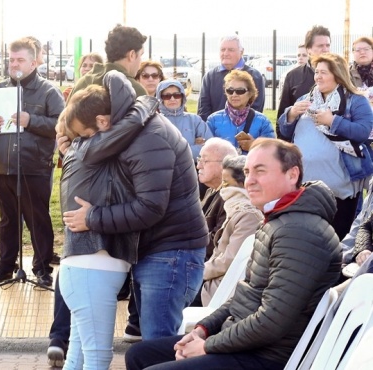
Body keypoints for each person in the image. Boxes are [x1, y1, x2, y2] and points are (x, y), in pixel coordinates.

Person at [125, 138, 342, 370]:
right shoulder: (280, 221)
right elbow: (245, 294)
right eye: (247, 172)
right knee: (140, 354)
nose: (250, 181)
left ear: (292, 174)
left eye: (260, 171)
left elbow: (271, 322)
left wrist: (207, 347)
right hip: (247, 344)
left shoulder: (299, 231)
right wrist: (203, 329)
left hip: (267, 357)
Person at [63, 71, 209, 341]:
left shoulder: (148, 138)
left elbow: (150, 207)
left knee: (158, 345)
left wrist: (93, 217)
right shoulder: (134, 132)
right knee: (153, 343)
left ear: (103, 121)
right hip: (160, 251)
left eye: (88, 135)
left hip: (171, 254)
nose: (90, 144)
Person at [48, 25, 147, 365]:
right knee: (96, 356)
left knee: (80, 352)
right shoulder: (93, 147)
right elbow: (131, 125)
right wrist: (146, 105)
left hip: (86, 266)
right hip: (93, 265)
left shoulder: (80, 147)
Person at [0, 37, 65, 287]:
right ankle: (6, 266)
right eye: (11, 59)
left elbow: (61, 124)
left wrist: (31, 120)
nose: (14, 64)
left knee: (37, 218)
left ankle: (42, 268)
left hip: (33, 166)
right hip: (2, 166)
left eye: (20, 60)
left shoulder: (48, 91)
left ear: (34, 63)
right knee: (7, 219)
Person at [278, 53, 373, 240]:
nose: (318, 77)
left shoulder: (355, 100)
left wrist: (333, 121)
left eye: (324, 72)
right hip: (304, 187)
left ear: (337, 75)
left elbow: (363, 131)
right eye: (316, 72)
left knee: (335, 239)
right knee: (306, 239)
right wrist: (289, 116)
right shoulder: (307, 99)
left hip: (340, 190)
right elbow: (285, 132)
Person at [200, 155, 263, 306]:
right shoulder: (235, 208)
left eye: (226, 183)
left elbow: (230, 260)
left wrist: (198, 272)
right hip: (212, 278)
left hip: (218, 288)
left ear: (243, 183)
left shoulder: (248, 214)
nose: (222, 187)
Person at [190, 138, 237, 307]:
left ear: (224, 165)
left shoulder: (231, 198)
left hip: (211, 279)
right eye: (199, 160)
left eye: (204, 160)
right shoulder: (213, 190)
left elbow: (216, 243)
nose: (198, 166)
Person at [277, 25, 331, 140]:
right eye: (320, 46)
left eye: (328, 45)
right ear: (308, 49)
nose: (325, 49)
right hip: (301, 144)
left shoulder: (340, 74)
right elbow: (282, 115)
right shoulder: (293, 76)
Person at [197, 34, 265, 121]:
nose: (225, 53)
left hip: (245, 132)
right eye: (222, 49)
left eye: (231, 50)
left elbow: (256, 110)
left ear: (242, 52)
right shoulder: (210, 77)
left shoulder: (254, 76)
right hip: (214, 132)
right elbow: (203, 110)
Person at [206, 70, 275, 154]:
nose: (234, 94)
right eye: (230, 91)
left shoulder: (263, 122)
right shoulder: (213, 120)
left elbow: (272, 153)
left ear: (250, 93)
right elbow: (206, 151)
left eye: (240, 91)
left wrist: (254, 145)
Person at [69, 24, 147, 97]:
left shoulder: (83, 82)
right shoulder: (134, 90)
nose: (140, 61)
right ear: (132, 55)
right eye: (141, 55)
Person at [155, 79, 212, 160]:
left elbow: (209, 147)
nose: (172, 99)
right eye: (167, 96)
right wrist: (193, 148)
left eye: (176, 95)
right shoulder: (155, 122)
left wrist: (173, 153)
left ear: (182, 97)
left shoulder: (195, 120)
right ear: (160, 99)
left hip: (193, 170)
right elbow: (156, 153)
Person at [350, 36, 373, 102]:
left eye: (366, 49)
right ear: (353, 53)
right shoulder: (346, 73)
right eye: (358, 50)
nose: (362, 52)